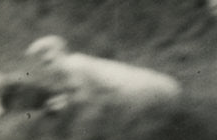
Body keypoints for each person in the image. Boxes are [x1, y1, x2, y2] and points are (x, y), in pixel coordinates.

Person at [25, 35, 182, 108]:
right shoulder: (74, 63)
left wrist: (59, 103)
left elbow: (85, 98)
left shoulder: (73, 65)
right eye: (43, 63)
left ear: (60, 52)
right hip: (156, 87)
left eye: (48, 60)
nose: (47, 67)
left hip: (150, 90)